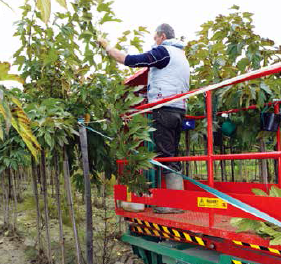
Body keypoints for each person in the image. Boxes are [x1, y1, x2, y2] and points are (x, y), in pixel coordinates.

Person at [98, 23, 190, 214]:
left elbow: (129, 60)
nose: (154, 42)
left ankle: (174, 204)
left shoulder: (163, 52)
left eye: (155, 37)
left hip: (163, 109)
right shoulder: (181, 56)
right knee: (172, 153)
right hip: (179, 110)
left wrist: (107, 47)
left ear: (162, 36)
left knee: (165, 155)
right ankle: (177, 201)